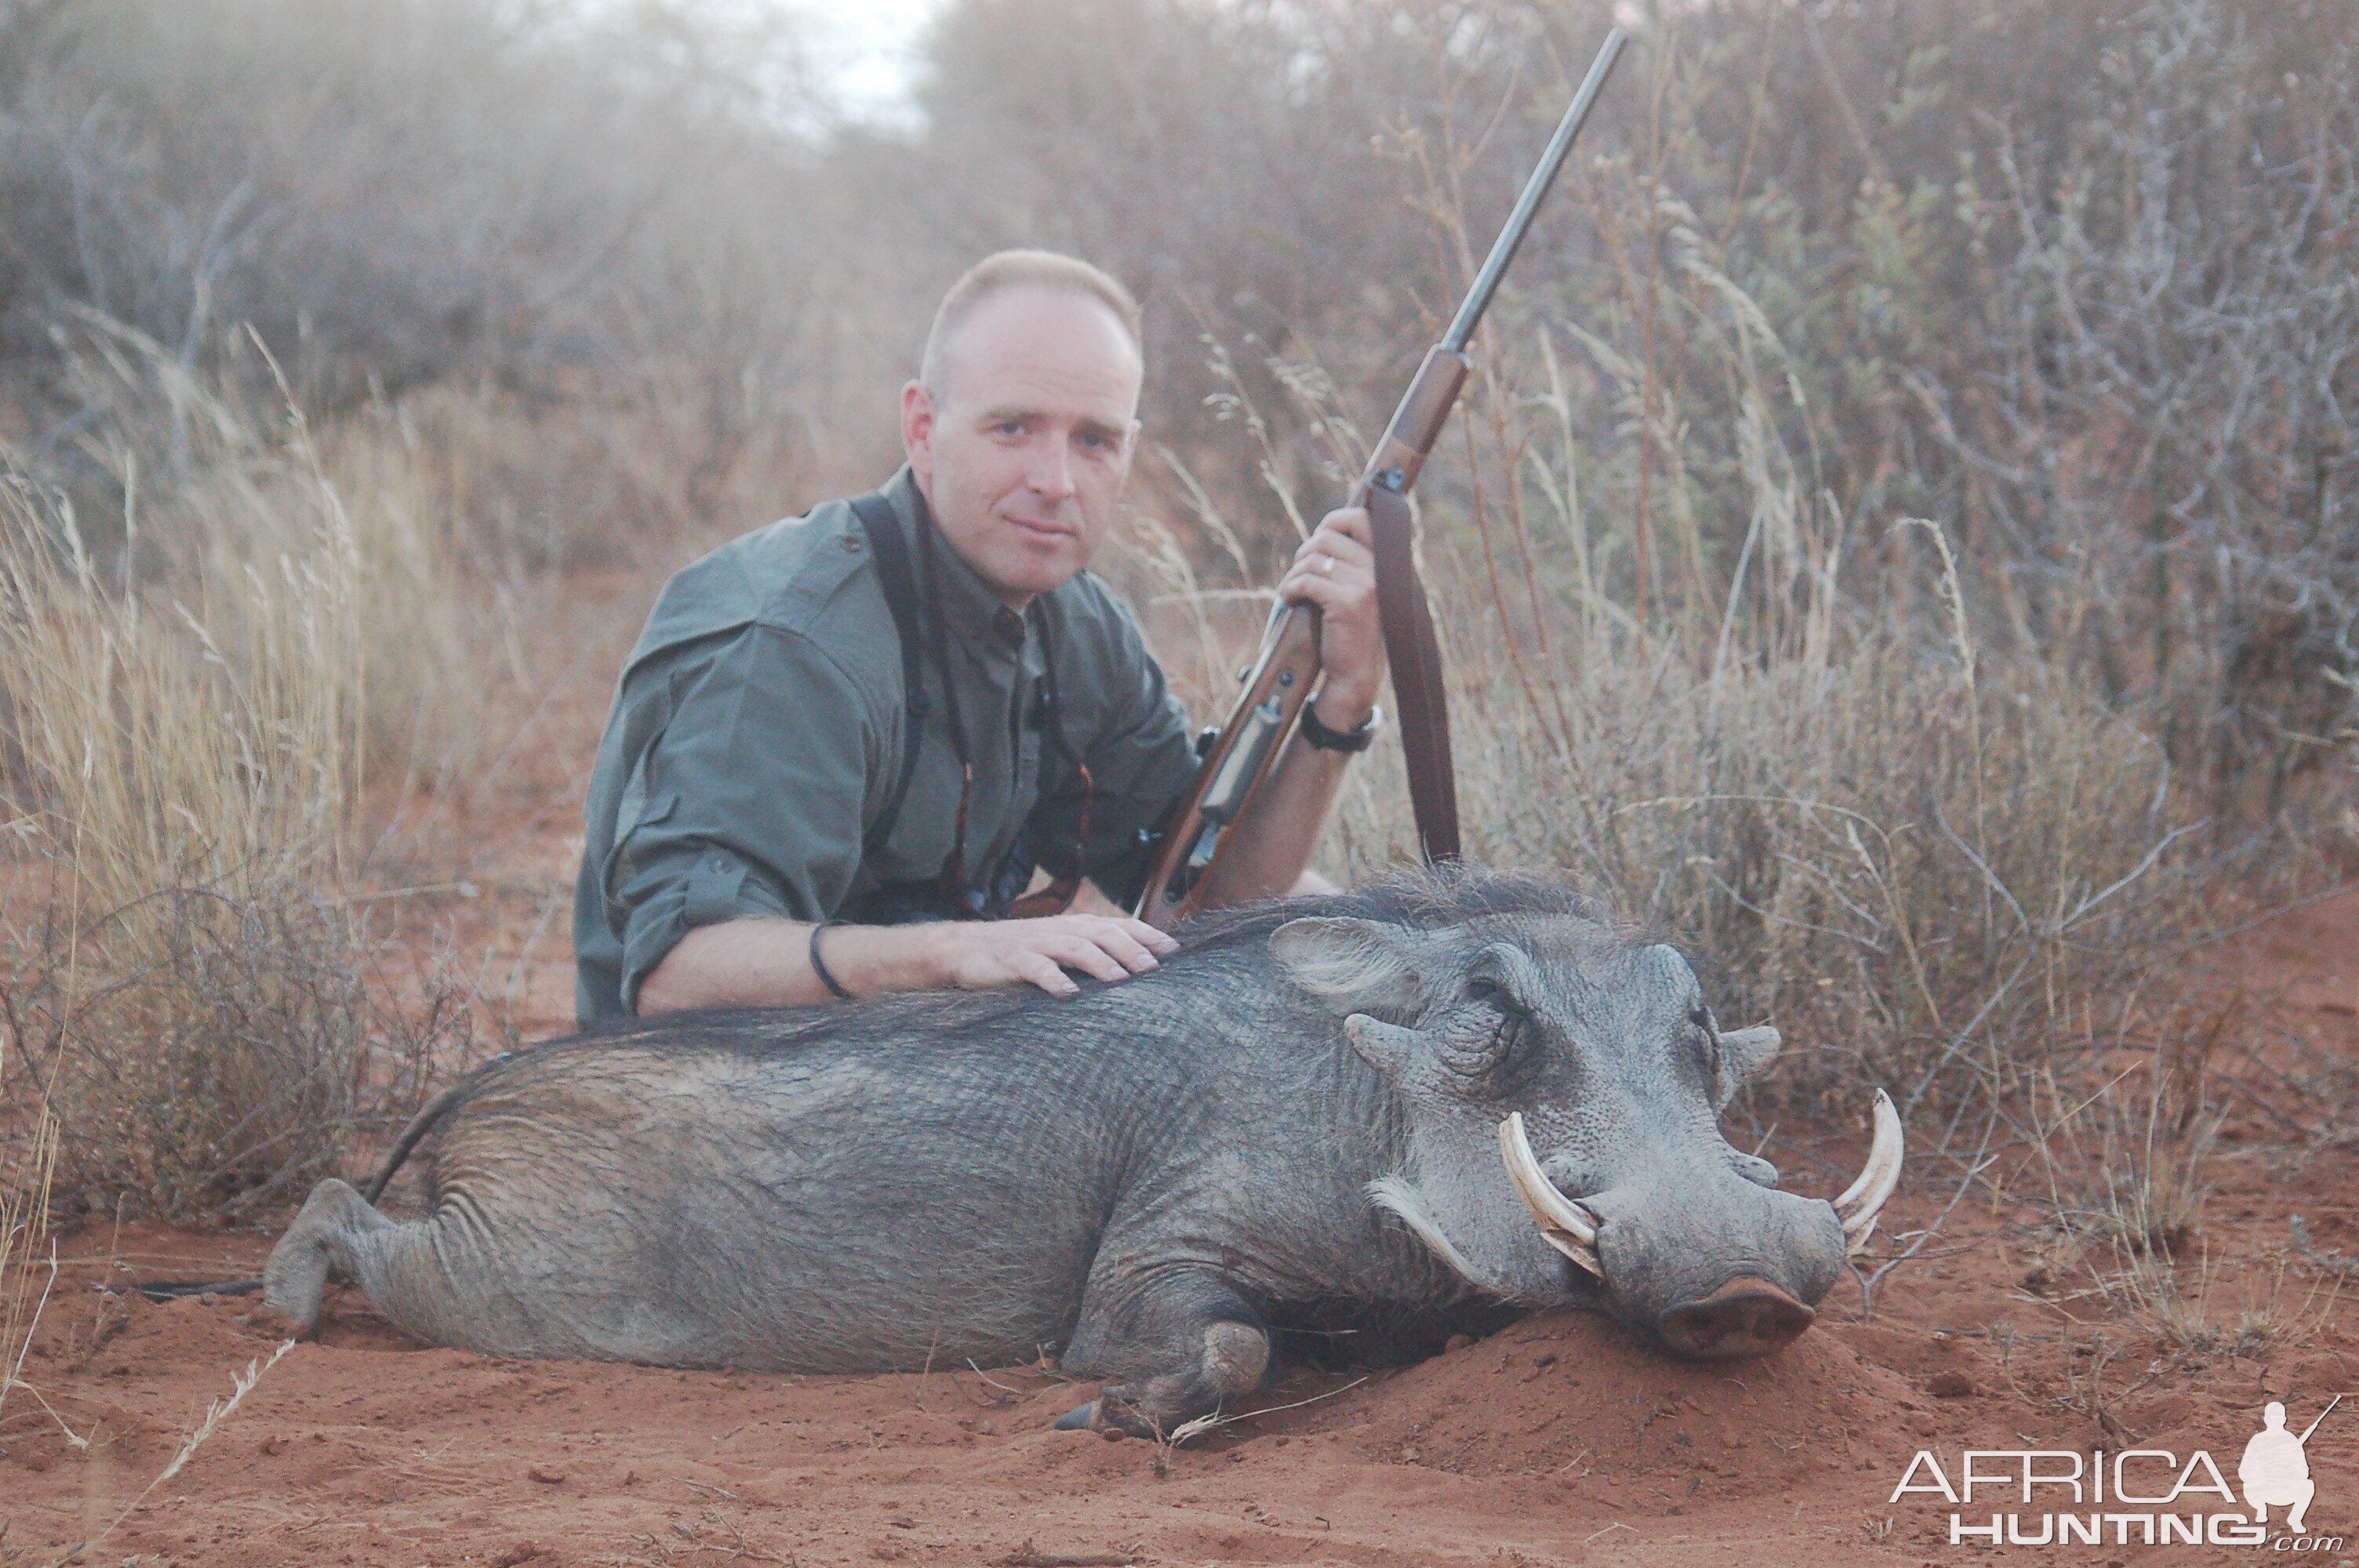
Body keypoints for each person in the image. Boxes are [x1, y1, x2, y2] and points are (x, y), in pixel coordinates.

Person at [572, 249, 1388, 1020]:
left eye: (1093, 440)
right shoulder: (798, 640)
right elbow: (678, 980)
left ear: (1129, 453)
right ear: (922, 427)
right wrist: (954, 954)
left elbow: (1205, 901)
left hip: (908, 1067)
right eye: (1012, 428)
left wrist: (1339, 709)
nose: (1054, 481)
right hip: (702, 1112)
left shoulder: (1079, 623)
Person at [2240, 1401, 2317, 1534]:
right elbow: (2244, 1471)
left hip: (2285, 1491)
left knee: (2308, 1485)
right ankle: (2261, 1509)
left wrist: (2285, 1472)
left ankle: (2295, 1519)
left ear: (2284, 1420)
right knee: (2248, 1484)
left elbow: (2303, 1472)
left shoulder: (2291, 1441)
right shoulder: (2257, 1440)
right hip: (2262, 1491)